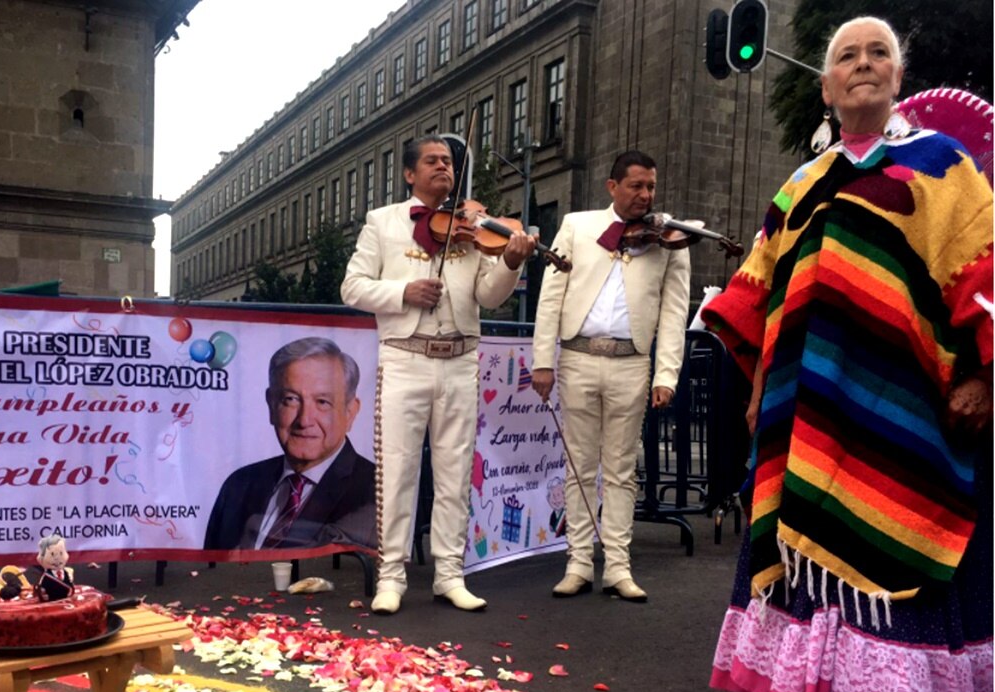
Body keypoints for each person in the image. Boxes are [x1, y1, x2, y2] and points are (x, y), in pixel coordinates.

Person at [704, 17, 993, 692]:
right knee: (802, 543)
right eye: (845, 57)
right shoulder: (800, 184)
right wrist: (756, 394)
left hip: (910, 412)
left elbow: (982, 276)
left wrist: (982, 373)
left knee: (890, 534)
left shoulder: (942, 165)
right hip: (801, 412)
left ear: (897, 77)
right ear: (826, 88)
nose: (862, 64)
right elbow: (764, 292)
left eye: (878, 54)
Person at [340, 135, 535, 614]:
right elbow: (352, 287)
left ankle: (450, 574)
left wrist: (510, 261)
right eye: (431, 161)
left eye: (448, 161)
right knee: (398, 470)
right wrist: (405, 292)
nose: (442, 167)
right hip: (405, 358)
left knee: (455, 472)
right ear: (410, 173)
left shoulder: (472, 227)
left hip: (460, 359)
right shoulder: (382, 222)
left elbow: (489, 297)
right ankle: (391, 576)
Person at [530, 150, 691, 604]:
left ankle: (618, 565)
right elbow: (550, 297)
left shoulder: (668, 238)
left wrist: (667, 375)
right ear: (612, 187)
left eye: (651, 187)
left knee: (621, 470)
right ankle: (578, 562)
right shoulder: (578, 226)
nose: (645, 195)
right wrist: (543, 360)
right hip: (578, 357)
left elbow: (676, 313)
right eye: (637, 185)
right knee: (578, 465)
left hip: (631, 362)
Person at [203, 337, 377, 552]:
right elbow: (210, 571)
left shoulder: (375, 492)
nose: (304, 420)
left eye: (323, 402)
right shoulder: (238, 485)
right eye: (291, 399)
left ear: (350, 412)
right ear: (271, 405)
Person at [35, 534, 74, 601]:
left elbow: (70, 585)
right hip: (52, 603)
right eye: (52, 554)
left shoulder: (65, 573)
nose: (57, 559)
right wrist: (42, 594)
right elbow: (41, 589)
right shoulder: (47, 576)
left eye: (61, 553)